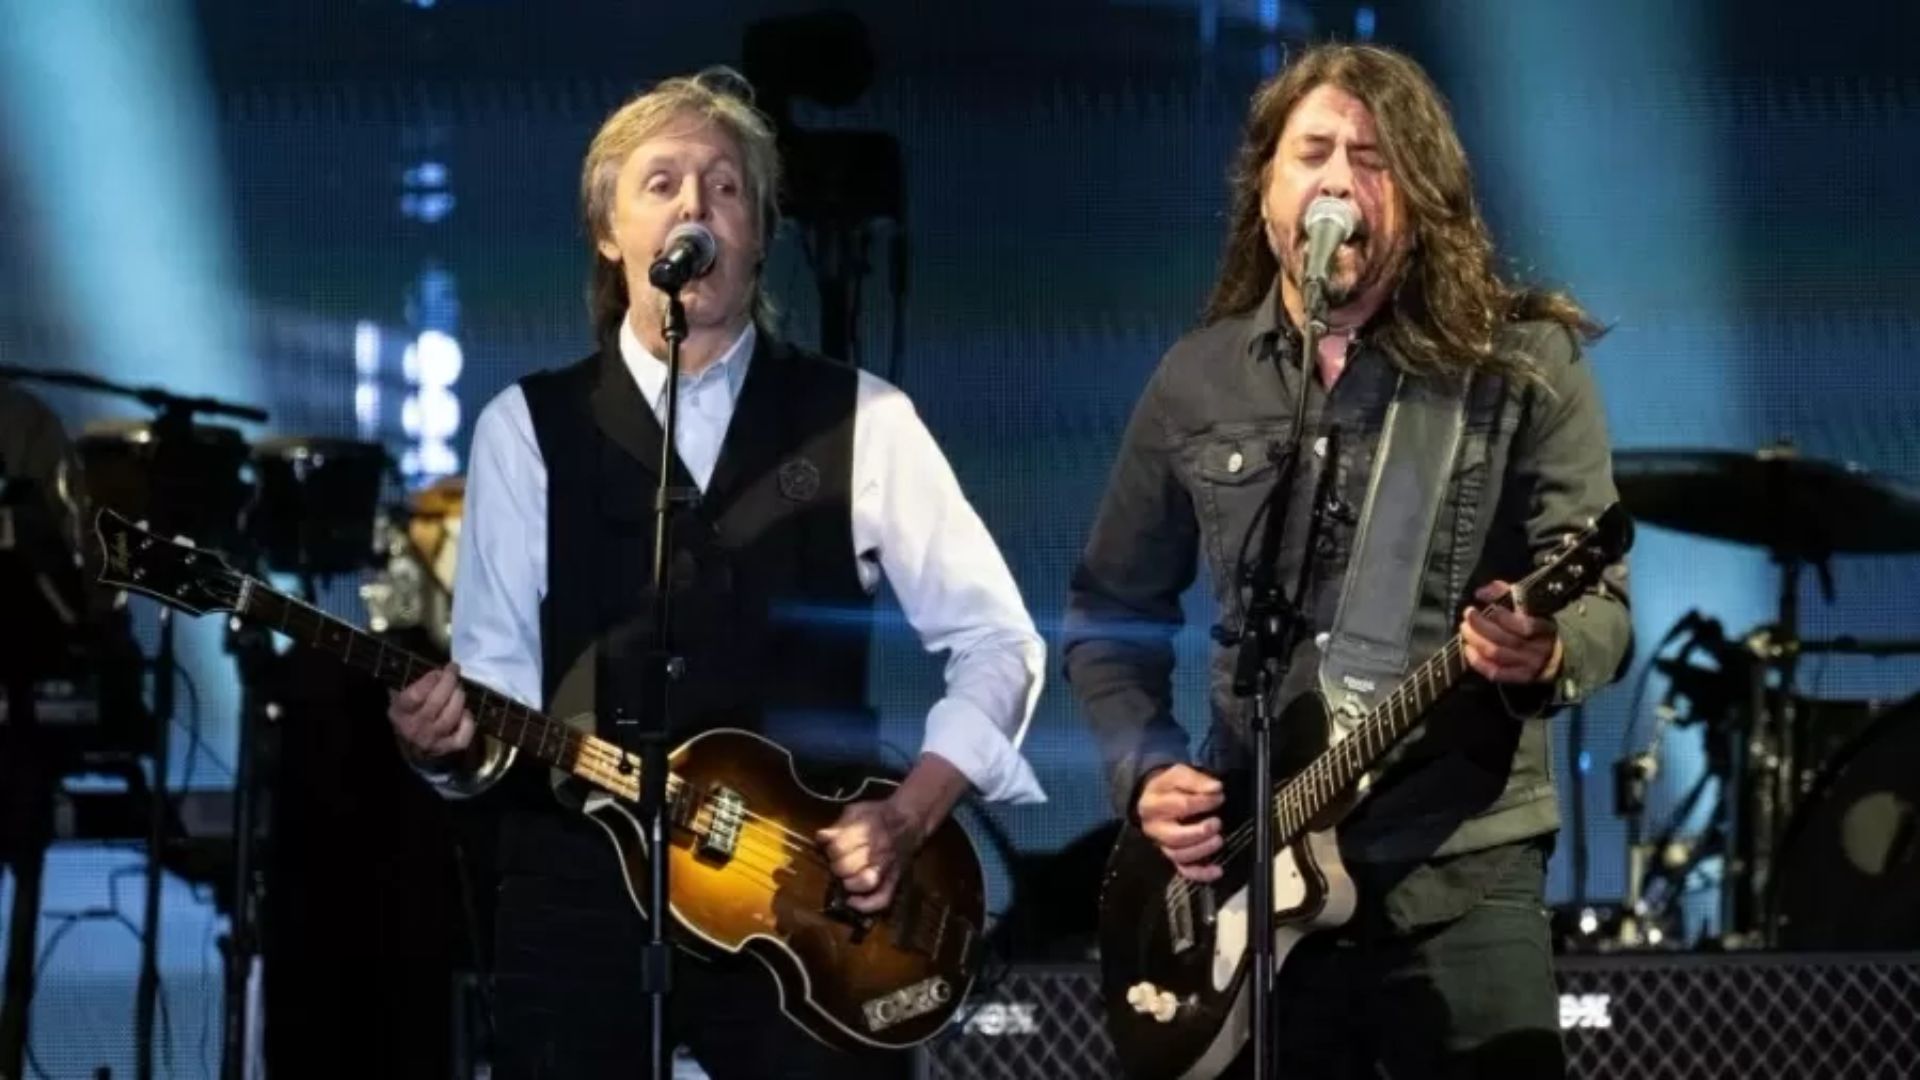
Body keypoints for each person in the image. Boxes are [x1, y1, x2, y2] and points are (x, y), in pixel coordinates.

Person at [384, 68, 1044, 1079]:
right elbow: (500, 687)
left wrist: (910, 815)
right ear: (609, 234)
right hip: (580, 900)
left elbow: (999, 640)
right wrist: (446, 748)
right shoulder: (526, 429)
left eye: (725, 186)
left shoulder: (860, 418)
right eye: (661, 183)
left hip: (811, 901)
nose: (695, 204)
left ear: (759, 232)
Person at [1064, 43, 1630, 1078]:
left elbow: (1600, 596)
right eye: (1311, 152)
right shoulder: (1199, 379)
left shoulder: (1517, 366)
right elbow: (1111, 608)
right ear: (1267, 191)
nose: (1338, 180)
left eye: (1371, 158)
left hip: (1459, 868)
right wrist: (1143, 768)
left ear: (1417, 195)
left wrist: (1545, 646)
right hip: (1253, 880)